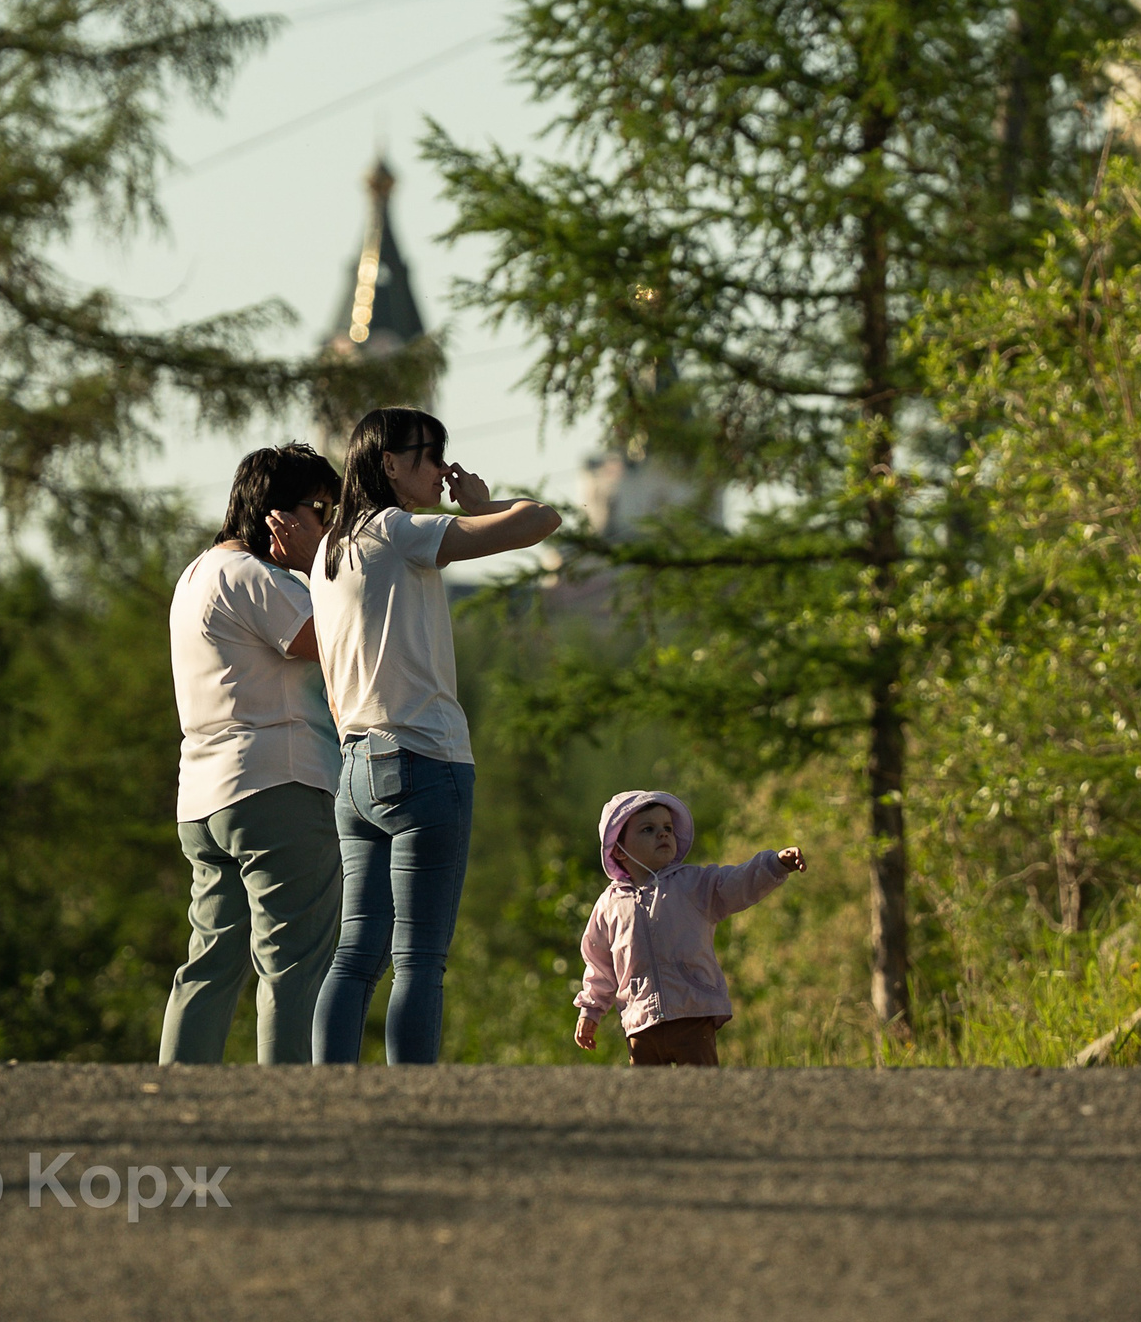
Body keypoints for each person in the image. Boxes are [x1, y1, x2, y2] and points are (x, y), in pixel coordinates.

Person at [309, 407, 562, 1064]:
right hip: (423, 757)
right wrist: (481, 503)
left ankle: (325, 1091)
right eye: (428, 455)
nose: (440, 469)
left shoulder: (330, 552)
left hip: (356, 764)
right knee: (419, 959)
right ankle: (410, 1100)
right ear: (388, 464)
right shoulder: (397, 531)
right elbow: (540, 521)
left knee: (356, 955)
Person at [161, 443, 345, 1064]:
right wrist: (315, 565)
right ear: (281, 515)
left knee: (211, 962)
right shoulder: (257, 576)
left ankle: (175, 1097)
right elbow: (338, 643)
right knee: (294, 963)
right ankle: (291, 1114)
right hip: (278, 787)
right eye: (324, 511)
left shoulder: (195, 575)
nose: (330, 529)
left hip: (204, 795)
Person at [572, 790, 808, 1067]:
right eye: (648, 829)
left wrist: (774, 864)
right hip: (640, 1023)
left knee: (703, 1091)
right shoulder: (609, 905)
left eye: (668, 828)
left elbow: (737, 882)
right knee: (649, 1099)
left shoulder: (694, 884)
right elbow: (599, 966)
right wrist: (590, 1010)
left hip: (693, 1013)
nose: (663, 835)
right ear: (618, 850)